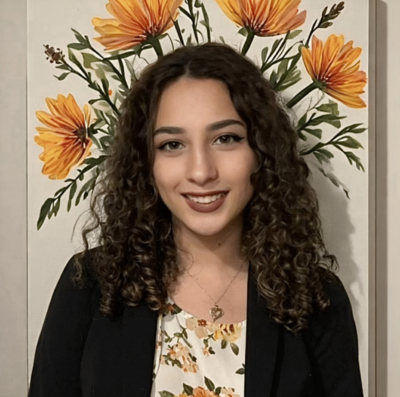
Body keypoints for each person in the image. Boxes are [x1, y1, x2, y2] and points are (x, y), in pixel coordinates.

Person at [29, 43, 363, 397]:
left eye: (226, 138)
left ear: (261, 152)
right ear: (146, 163)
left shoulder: (315, 298)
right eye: (172, 144)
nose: (201, 171)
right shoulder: (91, 286)